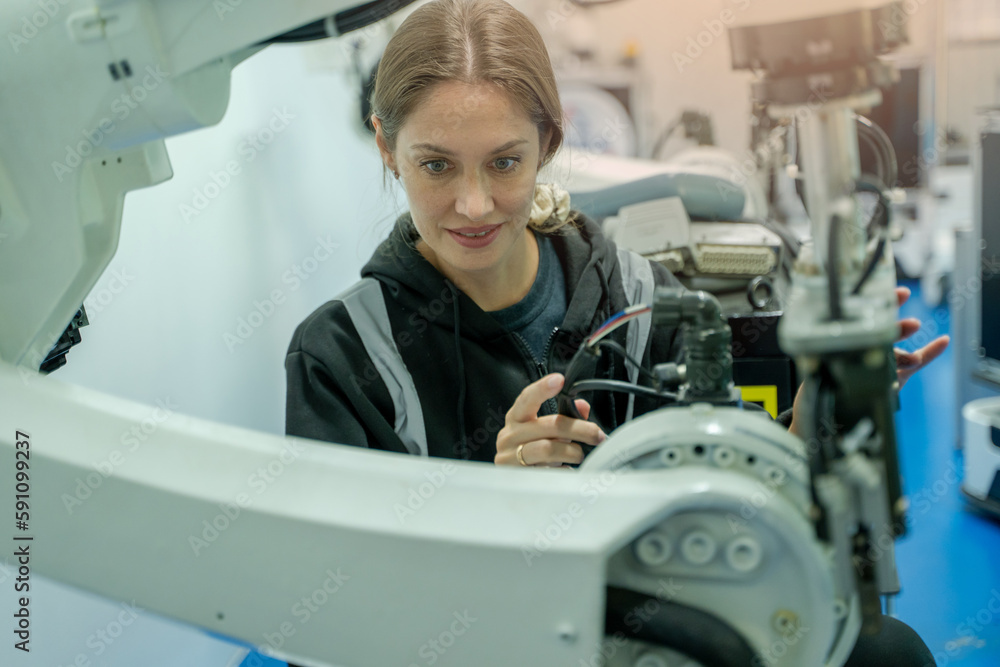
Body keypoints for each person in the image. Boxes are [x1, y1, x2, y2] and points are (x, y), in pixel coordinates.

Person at [284, 0, 946, 663]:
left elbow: (736, 525)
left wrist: (813, 421)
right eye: (437, 166)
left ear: (549, 140)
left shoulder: (647, 301)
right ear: (386, 147)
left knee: (890, 651)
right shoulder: (343, 357)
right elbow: (330, 616)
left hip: (653, 639)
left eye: (505, 162)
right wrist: (493, 506)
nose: (475, 203)